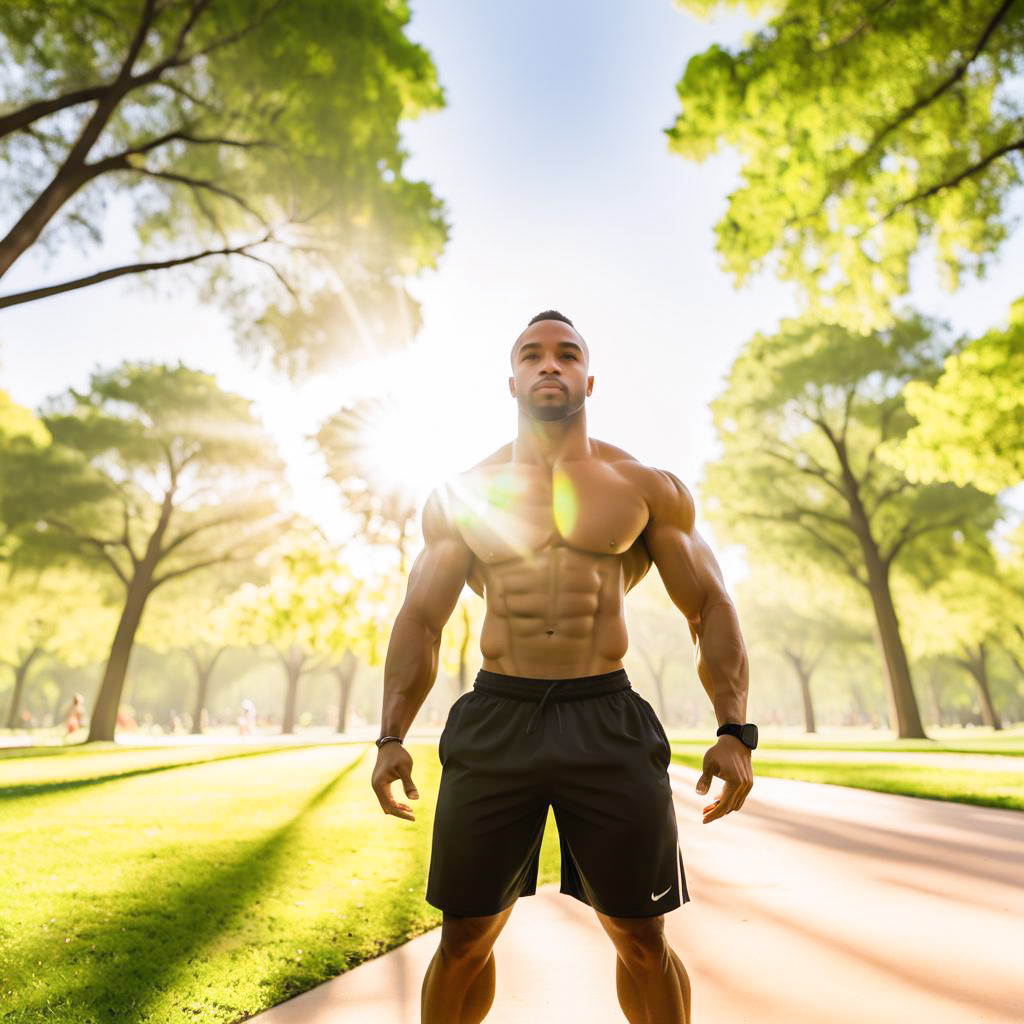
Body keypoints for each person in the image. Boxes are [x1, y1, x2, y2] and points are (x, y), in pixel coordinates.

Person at [371, 310, 755, 1024]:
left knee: (642, 937)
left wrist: (736, 728)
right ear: (511, 378)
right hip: (497, 719)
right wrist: (390, 736)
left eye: (566, 354)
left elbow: (708, 604)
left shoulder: (644, 486)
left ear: (588, 376)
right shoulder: (463, 494)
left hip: (604, 716)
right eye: (533, 355)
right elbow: (421, 619)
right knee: (463, 939)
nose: (550, 364)